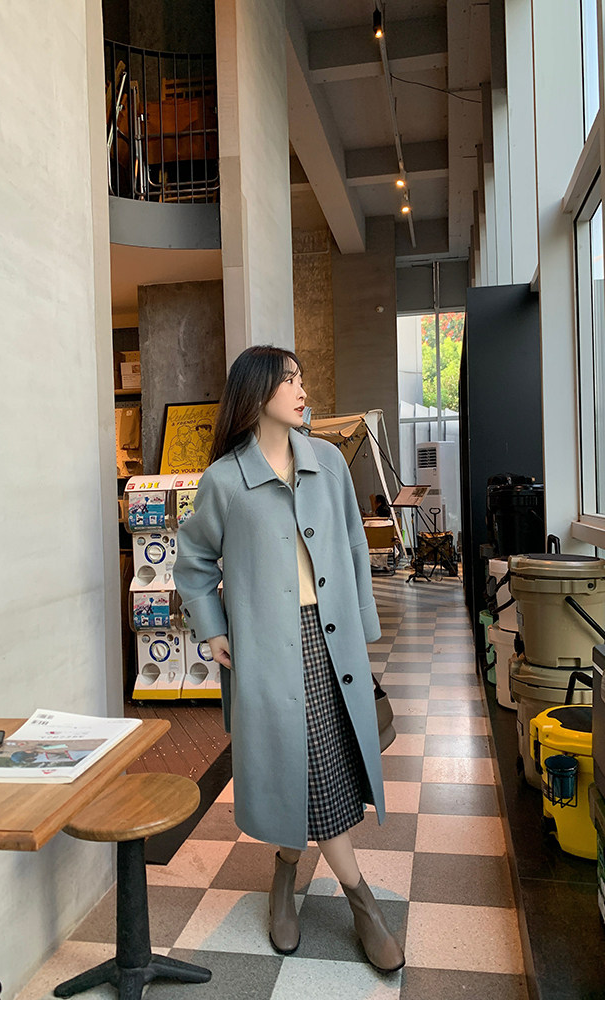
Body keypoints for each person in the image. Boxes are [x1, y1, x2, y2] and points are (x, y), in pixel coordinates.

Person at [173, 345, 404, 974]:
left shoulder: (326, 462)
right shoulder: (225, 480)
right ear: (256, 394)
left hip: (330, 639)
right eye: (289, 380)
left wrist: (363, 626)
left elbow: (354, 546)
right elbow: (193, 563)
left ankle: (287, 872)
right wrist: (213, 630)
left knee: (318, 767)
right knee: (302, 768)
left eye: (302, 378)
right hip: (269, 647)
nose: (302, 390)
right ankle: (360, 901)